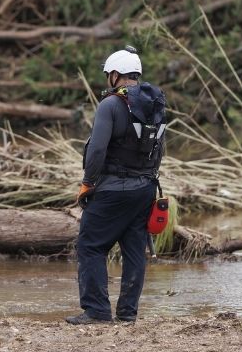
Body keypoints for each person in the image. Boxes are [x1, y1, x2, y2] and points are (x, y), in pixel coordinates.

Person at [65, 46, 167, 325]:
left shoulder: (110, 104)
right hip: (145, 189)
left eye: (108, 74)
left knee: (90, 246)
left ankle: (97, 311)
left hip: (112, 190)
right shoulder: (155, 103)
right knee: (134, 251)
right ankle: (127, 314)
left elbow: (97, 149)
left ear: (115, 74)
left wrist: (88, 183)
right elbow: (160, 149)